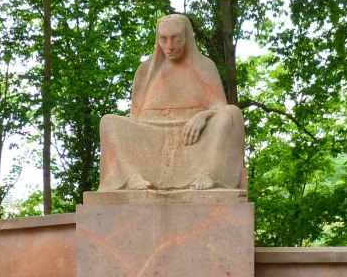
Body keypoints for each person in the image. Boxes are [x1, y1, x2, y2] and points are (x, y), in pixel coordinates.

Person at [98, 14, 246, 191]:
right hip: (151, 138)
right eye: (164, 39)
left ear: (187, 38)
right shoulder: (145, 71)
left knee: (231, 113)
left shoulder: (205, 66)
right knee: (108, 121)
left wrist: (203, 116)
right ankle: (131, 176)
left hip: (192, 139)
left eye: (176, 39)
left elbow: (220, 107)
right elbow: (135, 118)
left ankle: (209, 174)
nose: (169, 46)